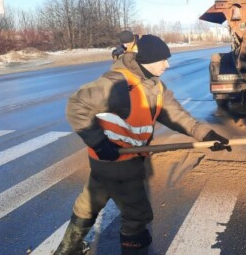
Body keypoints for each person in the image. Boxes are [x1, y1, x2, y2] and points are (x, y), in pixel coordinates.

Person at [55, 34, 231, 255]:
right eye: (162, 60)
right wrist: (99, 143)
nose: (167, 65)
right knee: (137, 217)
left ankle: (67, 249)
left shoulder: (155, 86)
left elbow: (176, 115)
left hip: (111, 162)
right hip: (119, 162)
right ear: (146, 60)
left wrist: (206, 135)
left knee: (90, 203)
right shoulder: (118, 84)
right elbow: (77, 105)